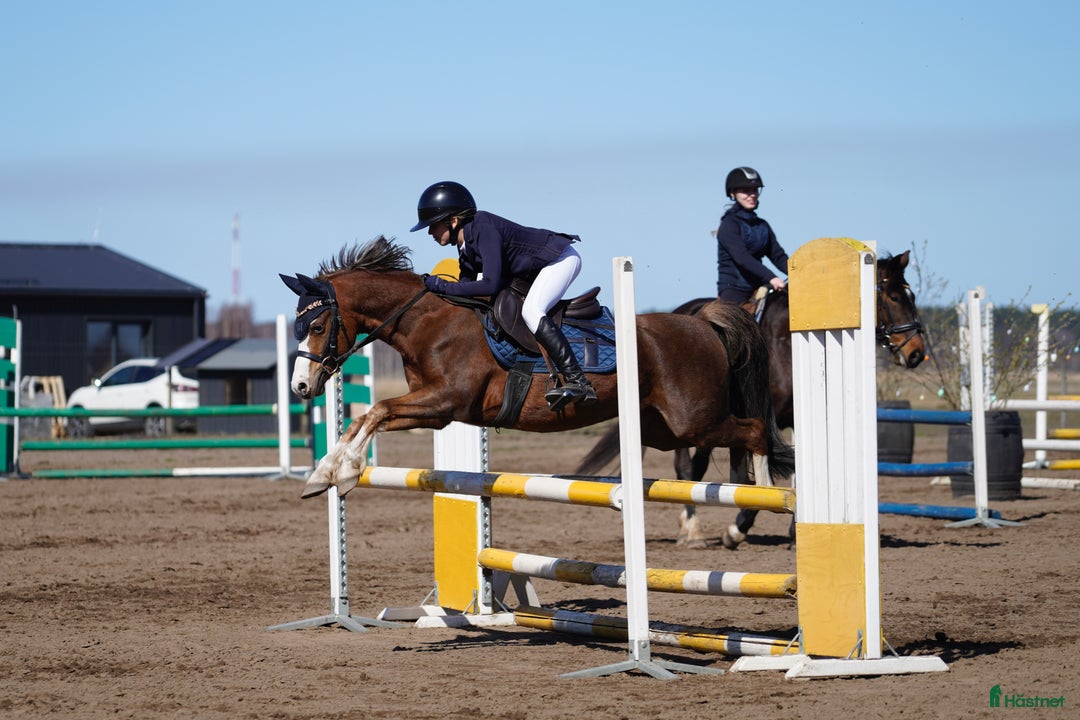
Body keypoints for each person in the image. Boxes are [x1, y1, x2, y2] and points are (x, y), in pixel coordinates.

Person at [410, 180, 597, 411]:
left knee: (531, 311)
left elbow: (489, 284)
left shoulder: (484, 228)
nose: (429, 231)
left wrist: (442, 285)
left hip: (561, 260)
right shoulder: (464, 246)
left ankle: (578, 381)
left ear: (454, 220)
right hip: (535, 269)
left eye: (433, 225)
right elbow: (464, 290)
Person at [715, 166, 789, 304]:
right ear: (732, 193)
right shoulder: (729, 224)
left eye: (754, 190)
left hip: (758, 286)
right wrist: (772, 278)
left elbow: (778, 256)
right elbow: (742, 257)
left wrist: (798, 274)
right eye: (745, 191)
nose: (752, 194)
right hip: (734, 289)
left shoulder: (762, 225)